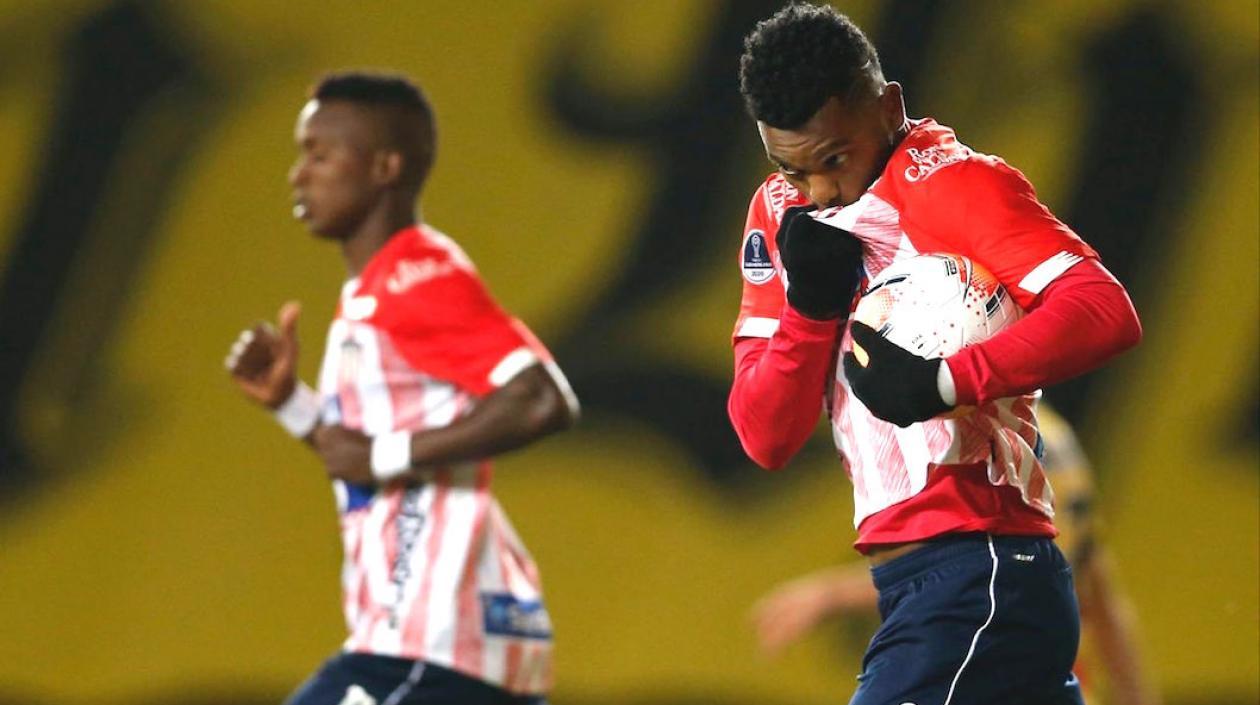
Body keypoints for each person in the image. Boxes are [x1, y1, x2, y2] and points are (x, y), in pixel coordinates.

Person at [728, 4, 1142, 704]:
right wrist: (809, 310)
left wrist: (948, 380)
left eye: (835, 159)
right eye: (792, 169)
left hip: (978, 574)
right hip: (934, 583)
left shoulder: (955, 183)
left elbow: (1103, 310)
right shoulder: (779, 212)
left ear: (888, 107)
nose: (819, 190)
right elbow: (765, 436)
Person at [225, 71, 578, 705]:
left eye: (320, 155)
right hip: (451, 642)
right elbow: (362, 460)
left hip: (429, 643)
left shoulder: (414, 278)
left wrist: (384, 454)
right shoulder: (376, 290)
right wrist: (291, 405)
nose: (298, 175)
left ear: (385, 167)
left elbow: (541, 400)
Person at [751, 406, 1163, 705]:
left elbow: (995, 575)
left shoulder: (995, 437)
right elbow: (1098, 592)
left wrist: (833, 594)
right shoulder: (1046, 435)